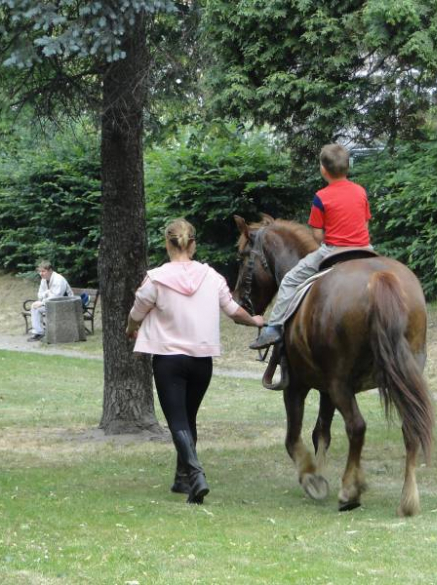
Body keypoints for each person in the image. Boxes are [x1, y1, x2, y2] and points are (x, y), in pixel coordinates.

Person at [126, 218, 263, 504]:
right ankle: (182, 480)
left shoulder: (156, 279)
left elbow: (137, 312)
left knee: (177, 421)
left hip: (168, 360)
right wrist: (255, 321)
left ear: (167, 243)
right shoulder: (211, 277)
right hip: (202, 361)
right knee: (189, 418)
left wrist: (130, 329)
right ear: (193, 244)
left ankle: (196, 475)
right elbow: (234, 311)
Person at [250, 144, 372, 350]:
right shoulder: (360, 192)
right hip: (365, 249)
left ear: (323, 169)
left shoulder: (321, 197)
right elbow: (366, 223)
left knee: (289, 280)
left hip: (334, 250)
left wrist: (329, 241)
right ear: (347, 168)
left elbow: (316, 234)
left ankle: (274, 328)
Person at [28, 260, 74, 342]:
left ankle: (40, 332)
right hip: (53, 304)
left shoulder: (58, 280)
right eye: (40, 271)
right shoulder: (44, 280)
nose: (41, 273)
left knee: (37, 307)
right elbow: (40, 294)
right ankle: (39, 333)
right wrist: (46, 293)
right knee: (35, 307)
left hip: (66, 305)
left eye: (43, 271)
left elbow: (56, 297)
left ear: (50, 271)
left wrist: (42, 302)